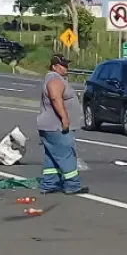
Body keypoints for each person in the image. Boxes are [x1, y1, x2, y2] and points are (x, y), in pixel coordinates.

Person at [36, 54, 88, 195]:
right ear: (54, 66)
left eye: (66, 65)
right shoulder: (54, 79)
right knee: (66, 154)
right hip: (56, 125)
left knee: (52, 156)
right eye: (63, 65)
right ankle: (72, 185)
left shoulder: (54, 78)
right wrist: (64, 117)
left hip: (49, 125)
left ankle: (49, 183)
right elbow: (55, 96)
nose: (66, 68)